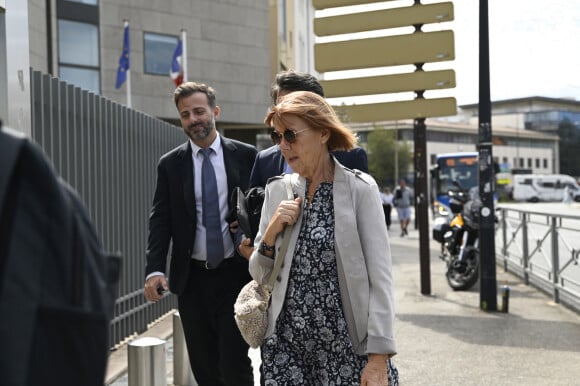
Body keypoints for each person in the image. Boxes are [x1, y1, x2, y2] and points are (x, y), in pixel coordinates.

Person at [249, 91, 398, 385]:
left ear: (323, 133)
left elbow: (380, 279)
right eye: (277, 136)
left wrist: (378, 358)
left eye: (290, 134)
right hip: (285, 349)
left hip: (345, 347)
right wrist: (271, 231)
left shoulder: (360, 190)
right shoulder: (277, 190)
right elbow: (258, 273)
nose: (283, 145)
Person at [143, 82, 257, 386]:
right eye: (185, 115)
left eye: (199, 111)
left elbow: (262, 207)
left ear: (214, 112)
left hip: (236, 275)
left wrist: (249, 226)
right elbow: (161, 219)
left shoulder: (246, 156)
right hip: (192, 281)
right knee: (204, 368)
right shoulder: (170, 165)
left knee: (235, 365)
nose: (194, 119)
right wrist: (154, 269)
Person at [249, 70, 368, 188]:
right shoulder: (264, 160)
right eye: (277, 137)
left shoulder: (352, 157)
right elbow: (252, 204)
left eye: (294, 105)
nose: (284, 112)